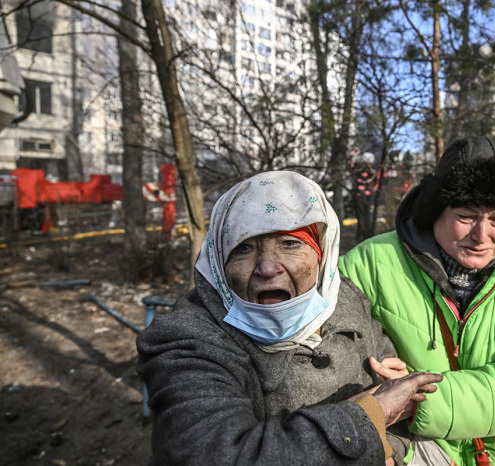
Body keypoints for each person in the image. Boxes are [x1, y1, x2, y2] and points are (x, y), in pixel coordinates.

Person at [137, 171, 443, 465]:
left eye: (290, 244)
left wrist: (391, 451)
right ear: (220, 263)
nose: (268, 267)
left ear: (321, 254)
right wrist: (371, 415)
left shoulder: (345, 300)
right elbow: (214, 456)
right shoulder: (186, 340)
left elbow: (398, 399)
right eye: (244, 248)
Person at [339, 137, 495, 466]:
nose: (482, 235)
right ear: (434, 209)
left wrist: (415, 396)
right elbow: (331, 355)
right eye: (466, 216)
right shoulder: (370, 263)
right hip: (407, 448)